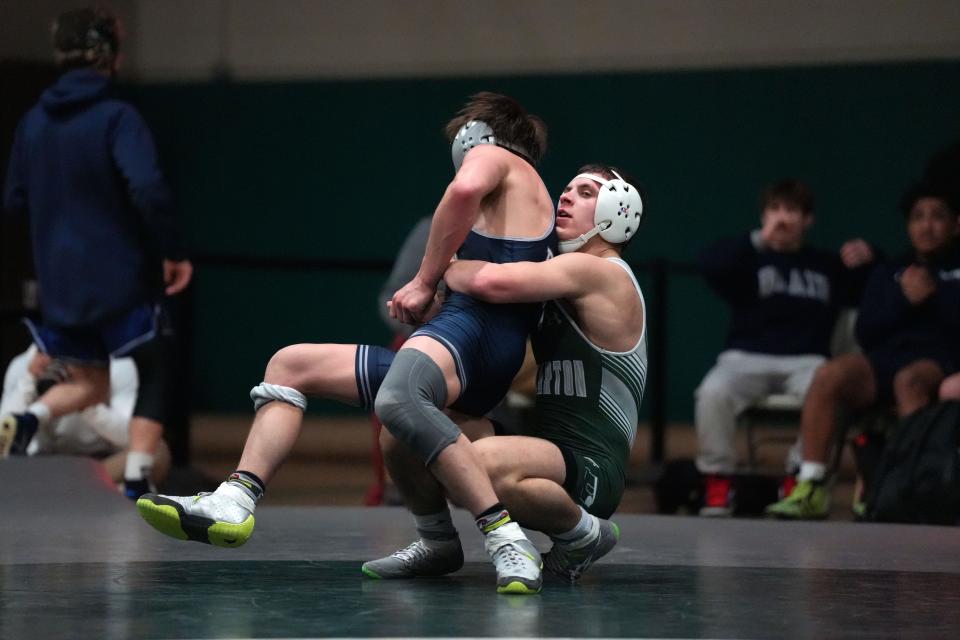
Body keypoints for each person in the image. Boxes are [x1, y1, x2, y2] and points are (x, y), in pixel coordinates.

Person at [138, 92, 554, 594]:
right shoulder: (526, 197)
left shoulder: (496, 155)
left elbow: (462, 189)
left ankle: (504, 535)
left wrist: (425, 280)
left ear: (480, 135)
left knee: (399, 401)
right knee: (290, 365)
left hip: (469, 341)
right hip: (472, 349)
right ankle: (237, 498)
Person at [410, 163, 647, 582]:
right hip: (546, 452)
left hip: (594, 467)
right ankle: (436, 542)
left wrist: (437, 270)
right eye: (568, 188)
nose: (567, 196)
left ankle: (583, 532)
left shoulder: (601, 272)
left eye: (587, 193)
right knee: (417, 428)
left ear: (620, 209)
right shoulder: (558, 276)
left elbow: (491, 282)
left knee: (474, 463)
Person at [0, 8, 192, 499]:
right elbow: (147, 187)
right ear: (111, 56)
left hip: (59, 282)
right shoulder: (117, 117)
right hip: (117, 274)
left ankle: (27, 419)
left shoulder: (32, 124)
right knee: (153, 366)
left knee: (92, 380)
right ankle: (138, 478)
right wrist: (171, 250)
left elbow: (14, 201)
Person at [766, 183, 960, 519]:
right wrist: (904, 299)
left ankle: (910, 485)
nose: (926, 225)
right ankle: (811, 485)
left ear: (956, 224)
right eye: (918, 217)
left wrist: (935, 295)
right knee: (830, 374)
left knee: (909, 381)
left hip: (940, 363)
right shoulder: (889, 271)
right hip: (884, 363)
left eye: (937, 217)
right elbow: (866, 331)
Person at [695, 180, 875, 516]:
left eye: (791, 211)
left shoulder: (827, 264)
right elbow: (707, 263)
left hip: (806, 361)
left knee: (830, 391)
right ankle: (717, 482)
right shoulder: (748, 261)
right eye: (775, 210)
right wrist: (759, 240)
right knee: (712, 392)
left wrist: (871, 255)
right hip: (744, 359)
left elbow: (878, 282)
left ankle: (799, 477)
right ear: (763, 216)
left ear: (807, 220)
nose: (783, 219)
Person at [0, 344, 172, 487]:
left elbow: (133, 438)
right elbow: (3, 438)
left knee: (155, 449)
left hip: (98, 466)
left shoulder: (119, 364)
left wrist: (86, 403)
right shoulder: (23, 364)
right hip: (40, 464)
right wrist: (29, 381)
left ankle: (75, 493)